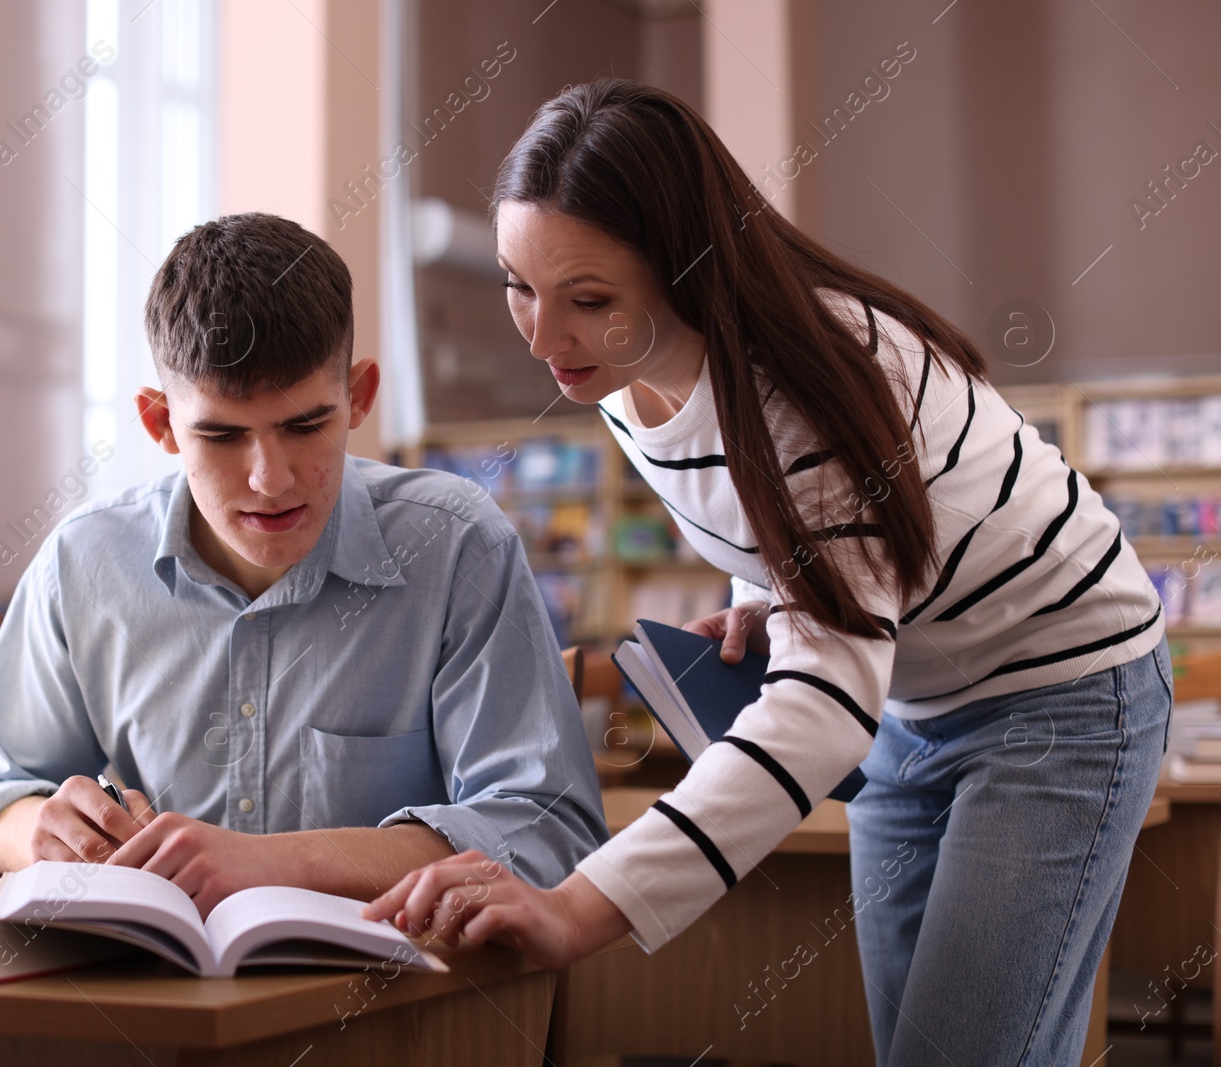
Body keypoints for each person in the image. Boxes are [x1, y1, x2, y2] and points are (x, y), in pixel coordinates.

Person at [365, 79, 1171, 1064]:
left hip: (1059, 690)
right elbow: (777, 517)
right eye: (516, 284)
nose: (539, 336)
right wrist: (769, 592)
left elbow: (827, 698)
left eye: (586, 299)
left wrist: (578, 907)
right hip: (911, 708)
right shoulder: (624, 376)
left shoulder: (812, 392)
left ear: (690, 276)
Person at [0, 212, 607, 917]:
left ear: (359, 396)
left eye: (305, 426)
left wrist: (266, 864)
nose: (270, 479)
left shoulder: (457, 546)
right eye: (222, 435)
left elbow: (548, 832)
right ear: (160, 424)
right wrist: (40, 831)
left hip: (401, 1005)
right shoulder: (84, 561)